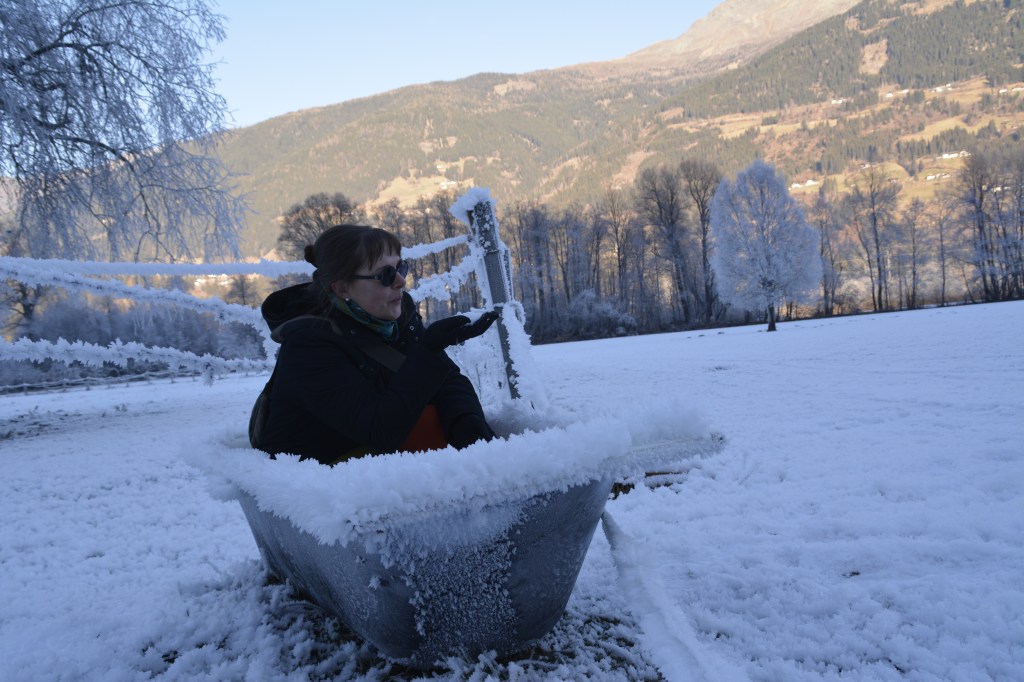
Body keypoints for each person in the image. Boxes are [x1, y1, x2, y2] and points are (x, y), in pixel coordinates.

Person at [255, 224, 498, 465]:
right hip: (316, 476)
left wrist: (467, 423)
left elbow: (446, 381)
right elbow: (380, 430)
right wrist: (429, 353)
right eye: (385, 275)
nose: (401, 281)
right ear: (341, 288)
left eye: (400, 267)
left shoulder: (395, 315)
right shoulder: (308, 346)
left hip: (367, 453)